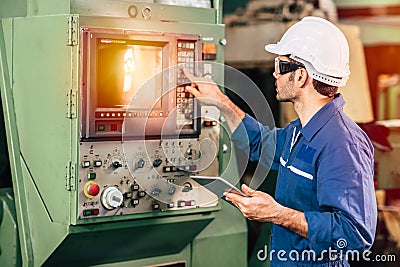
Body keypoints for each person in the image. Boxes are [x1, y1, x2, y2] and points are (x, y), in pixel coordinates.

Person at [184, 16, 377, 266]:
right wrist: (220, 100)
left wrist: (277, 214)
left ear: (300, 77)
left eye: (281, 64)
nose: (275, 72)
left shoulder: (342, 145)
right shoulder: (299, 131)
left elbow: (355, 234)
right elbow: (260, 144)